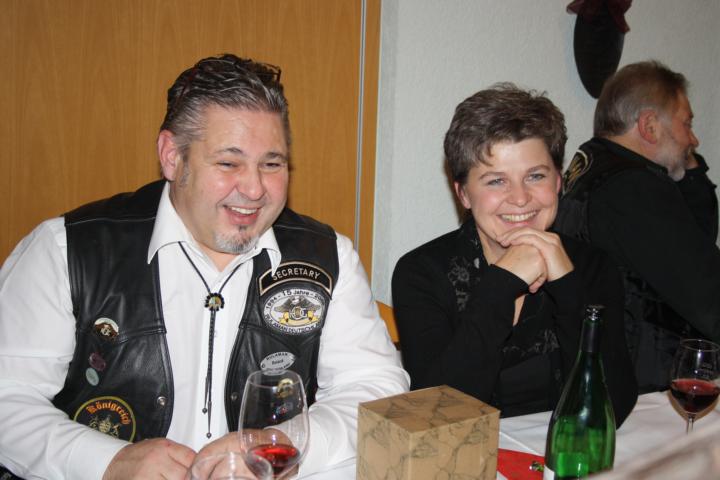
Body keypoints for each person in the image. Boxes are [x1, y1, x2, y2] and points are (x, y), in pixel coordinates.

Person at [0, 54, 408, 479]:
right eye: (229, 163)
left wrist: (281, 447)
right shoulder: (67, 249)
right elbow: (8, 395)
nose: (254, 189)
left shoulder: (327, 256)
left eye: (272, 164)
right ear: (172, 156)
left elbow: (375, 391)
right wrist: (107, 462)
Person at [392, 84, 637, 424]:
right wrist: (502, 284)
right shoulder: (421, 273)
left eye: (535, 176)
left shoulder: (593, 266)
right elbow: (437, 417)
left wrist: (568, 287)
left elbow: (611, 411)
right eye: (496, 181)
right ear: (463, 194)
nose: (520, 199)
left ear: (558, 182)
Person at [554, 60, 720, 393]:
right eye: (686, 123)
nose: (693, 139)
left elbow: (695, 237)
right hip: (645, 386)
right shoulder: (634, 189)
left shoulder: (590, 173)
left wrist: (690, 169)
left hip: (604, 375)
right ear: (649, 126)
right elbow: (705, 290)